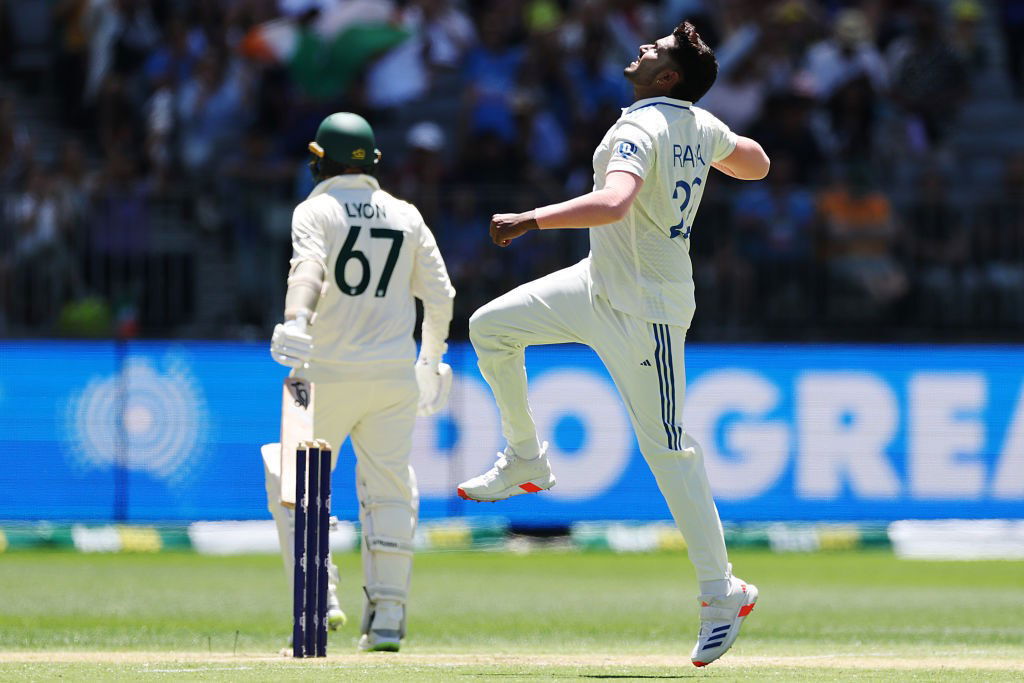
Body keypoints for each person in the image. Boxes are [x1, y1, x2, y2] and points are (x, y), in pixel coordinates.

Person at [456, 21, 769, 667]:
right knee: (490, 327)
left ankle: (722, 590)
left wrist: (530, 219)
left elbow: (616, 202)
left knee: (669, 450)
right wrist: (710, 148)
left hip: (645, 309)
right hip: (597, 282)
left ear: (668, 77)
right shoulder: (694, 122)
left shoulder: (641, 126)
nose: (641, 50)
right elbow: (758, 163)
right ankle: (525, 459)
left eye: (653, 51)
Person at [263, 112, 456, 652]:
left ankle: (316, 612)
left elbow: (309, 270)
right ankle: (389, 619)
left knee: (293, 483)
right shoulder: (406, 214)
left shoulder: (316, 208)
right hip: (393, 376)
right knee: (390, 489)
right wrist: (430, 362)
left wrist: (297, 320)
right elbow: (440, 296)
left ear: (319, 160)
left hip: (322, 373)